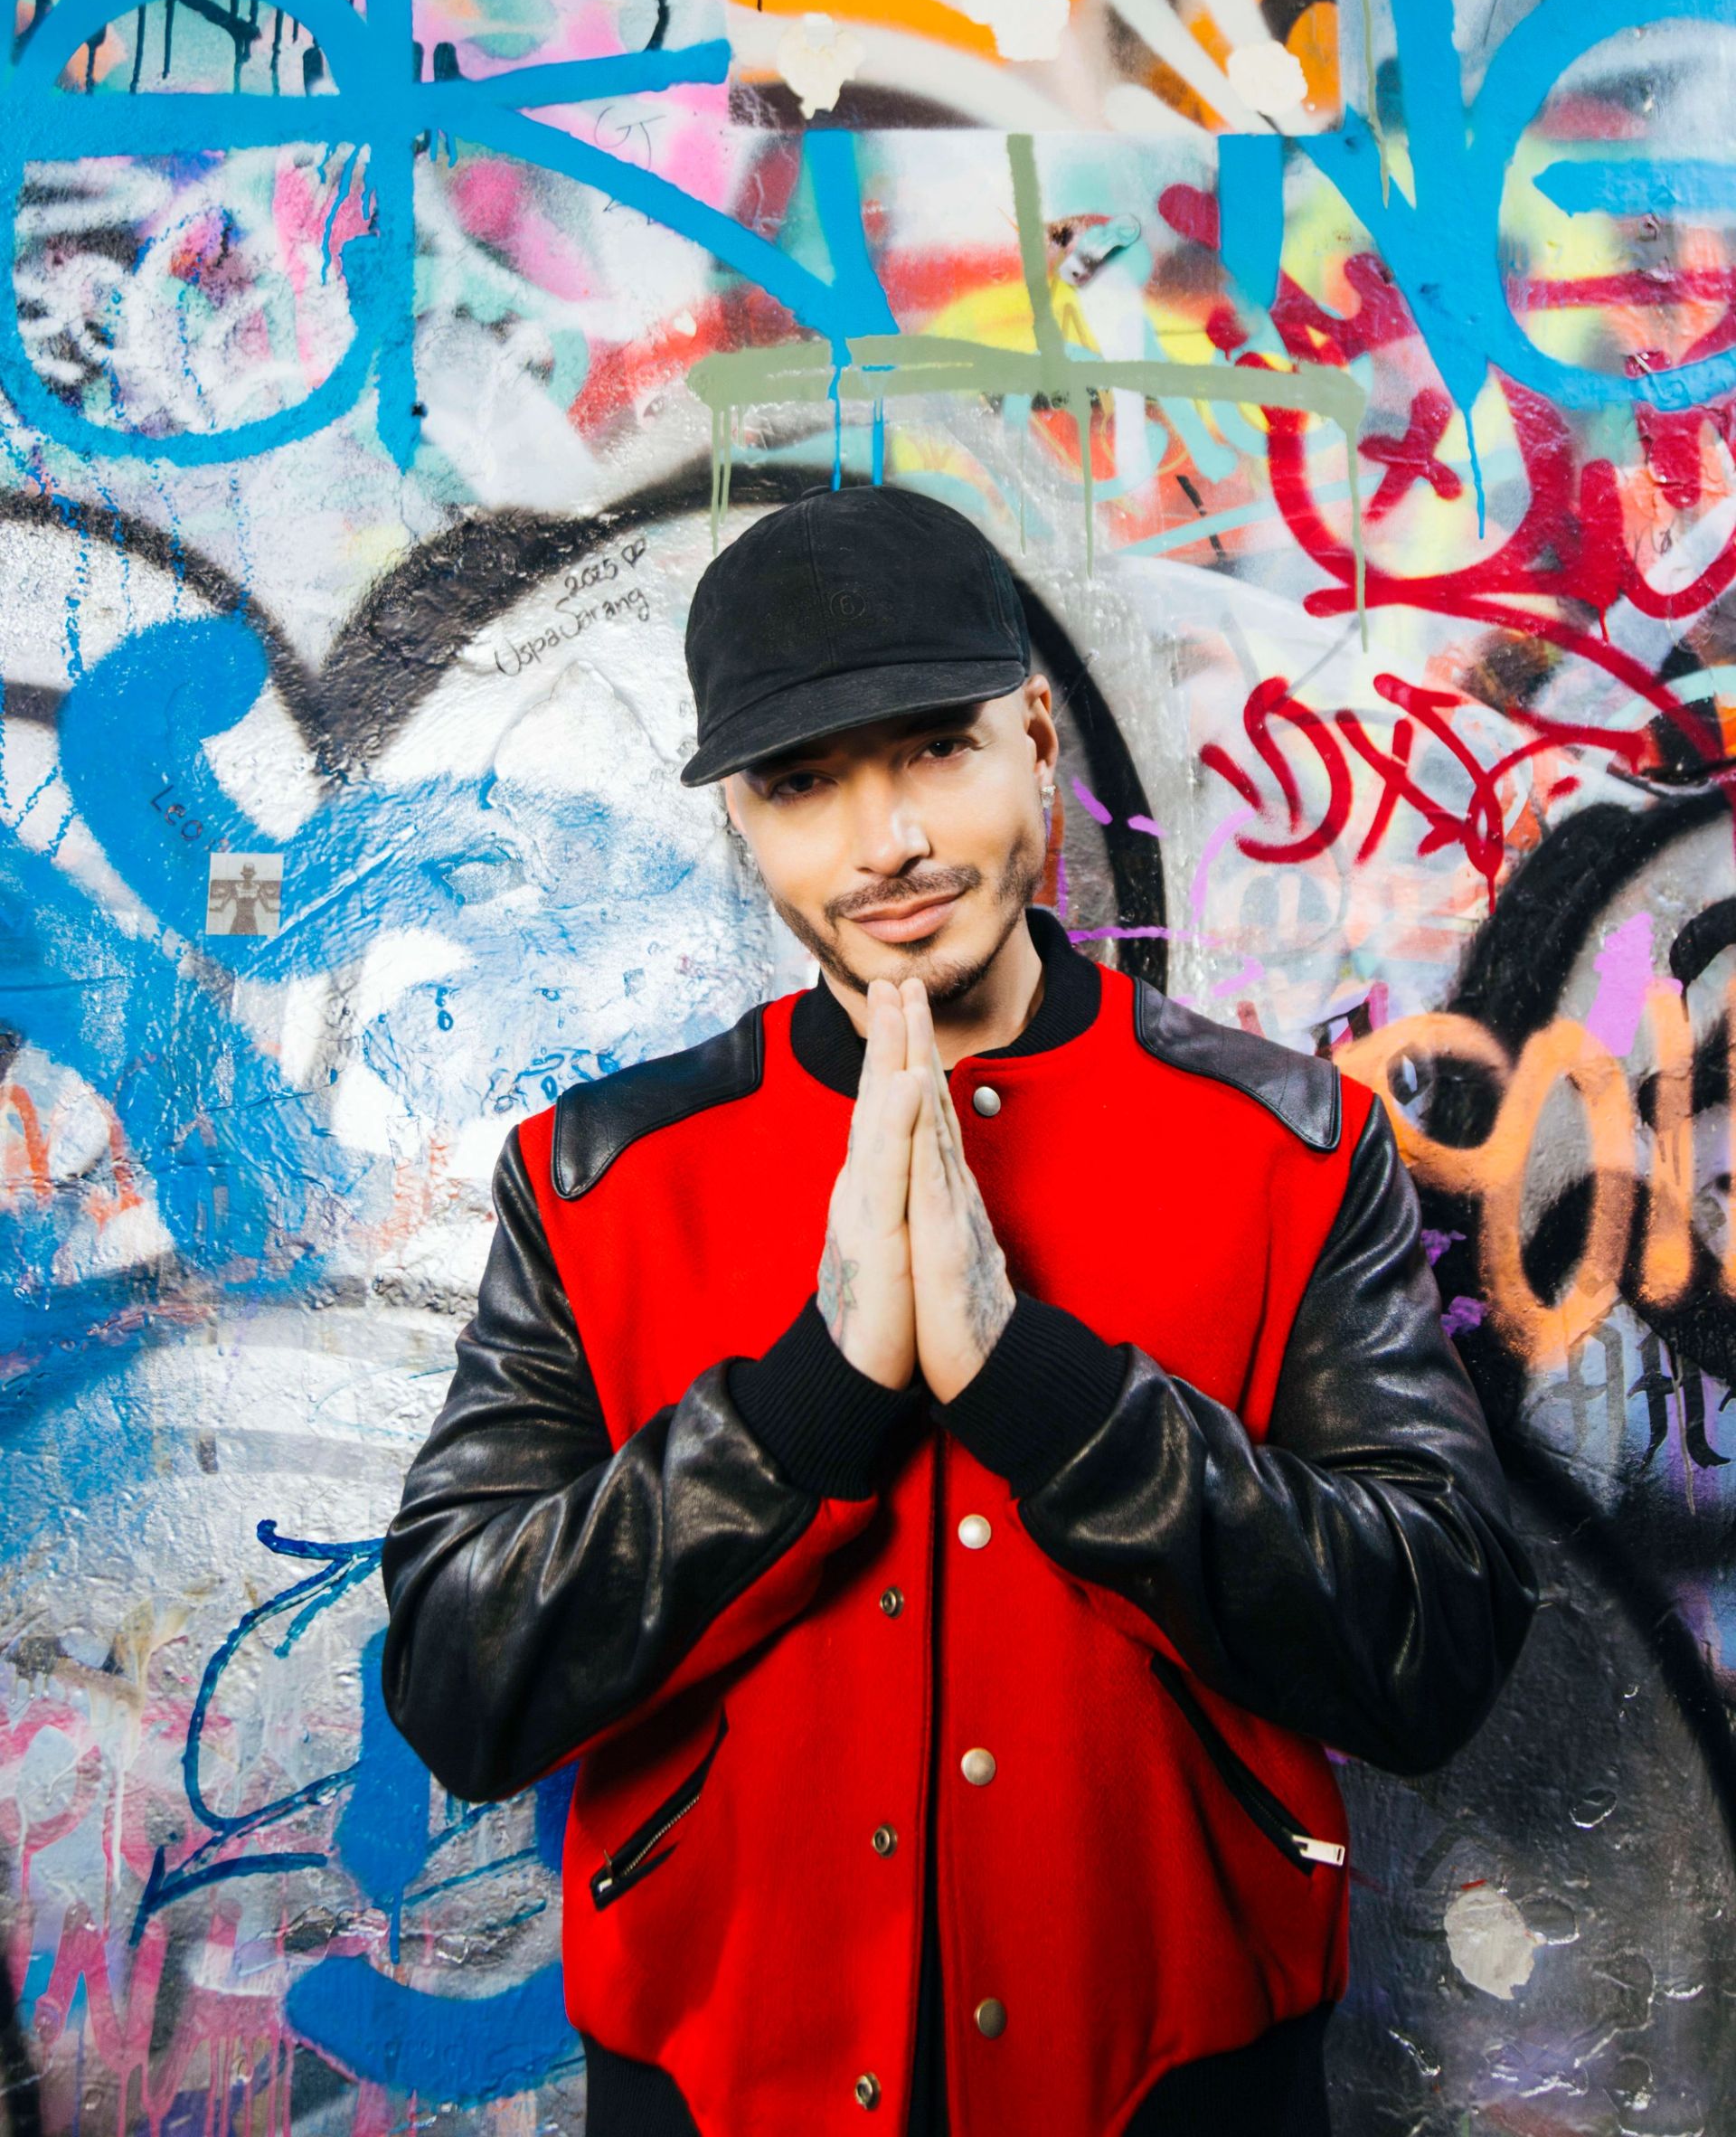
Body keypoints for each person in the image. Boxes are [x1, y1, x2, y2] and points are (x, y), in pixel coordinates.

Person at [379, 483, 1538, 2137]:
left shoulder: (1292, 1146)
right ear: (744, 823)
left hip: (1177, 2073)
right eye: (802, 784)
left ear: (1040, 736)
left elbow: (1433, 1652)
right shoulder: (592, 1178)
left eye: (935, 749)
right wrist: (806, 1404)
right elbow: (455, 1680)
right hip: (719, 2078)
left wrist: (1037, 1383)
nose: (885, 844)